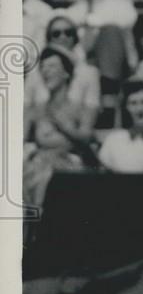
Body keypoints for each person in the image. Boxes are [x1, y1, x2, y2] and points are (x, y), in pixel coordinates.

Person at [59, 0, 138, 96]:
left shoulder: (121, 6)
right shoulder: (69, 13)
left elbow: (124, 38)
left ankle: (109, 94)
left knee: (110, 32)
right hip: (78, 76)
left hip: (117, 75)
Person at [23, 46, 94, 210]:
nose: (46, 71)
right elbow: (19, 141)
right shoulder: (37, 110)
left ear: (66, 73)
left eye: (52, 66)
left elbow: (87, 139)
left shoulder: (78, 108)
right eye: (43, 67)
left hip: (70, 169)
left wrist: (64, 126)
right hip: (39, 168)